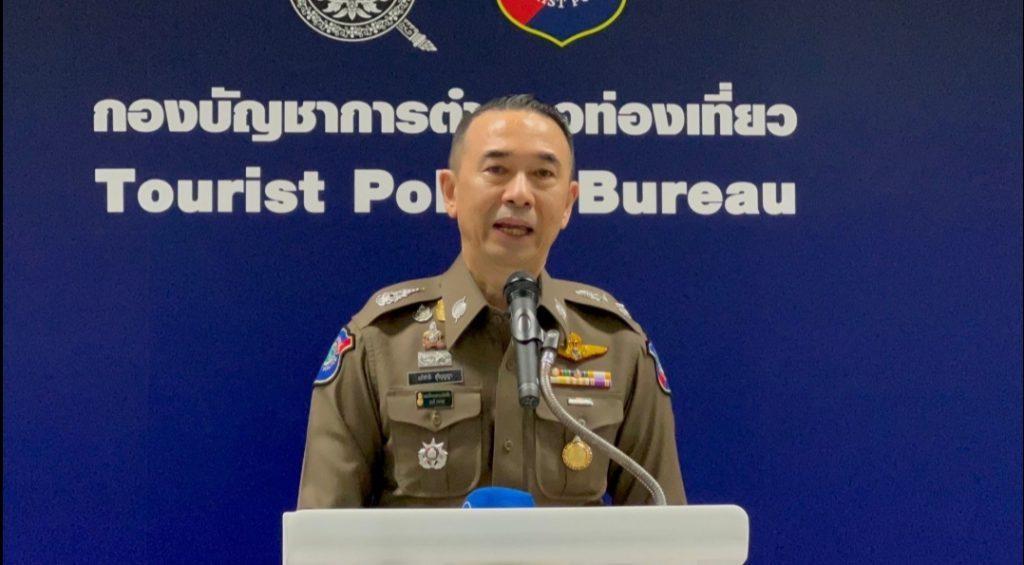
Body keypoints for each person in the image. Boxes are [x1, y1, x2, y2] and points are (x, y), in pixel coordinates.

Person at [297, 94, 686, 508]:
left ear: (568, 203)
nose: (519, 194)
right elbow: (324, 528)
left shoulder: (617, 346)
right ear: (450, 192)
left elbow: (664, 527)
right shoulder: (380, 342)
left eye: (542, 174)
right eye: (497, 170)